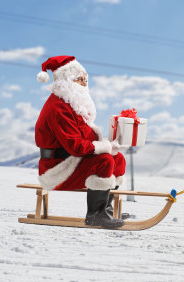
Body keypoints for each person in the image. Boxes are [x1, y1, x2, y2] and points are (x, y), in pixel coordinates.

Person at [35, 55, 126, 229]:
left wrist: (111, 145)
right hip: (57, 168)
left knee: (118, 159)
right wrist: (105, 148)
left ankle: (105, 207)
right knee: (104, 161)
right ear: (65, 81)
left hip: (72, 161)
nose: (84, 84)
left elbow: (87, 139)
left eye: (85, 79)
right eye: (79, 79)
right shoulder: (58, 107)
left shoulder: (72, 105)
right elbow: (76, 146)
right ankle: (96, 215)